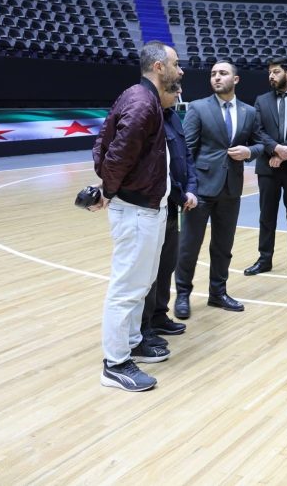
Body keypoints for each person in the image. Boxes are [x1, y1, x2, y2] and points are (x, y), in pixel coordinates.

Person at [91, 40, 183, 392]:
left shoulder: (141, 98)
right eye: (175, 64)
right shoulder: (142, 102)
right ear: (159, 67)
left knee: (141, 284)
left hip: (147, 207)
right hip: (134, 210)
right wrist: (108, 191)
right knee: (127, 288)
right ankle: (115, 364)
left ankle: (132, 343)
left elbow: (102, 141)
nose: (180, 70)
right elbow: (115, 156)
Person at [173, 60, 264, 320]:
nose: (216, 77)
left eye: (223, 73)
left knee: (223, 246)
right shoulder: (198, 108)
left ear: (235, 79)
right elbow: (186, 150)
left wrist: (249, 151)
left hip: (231, 189)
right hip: (200, 189)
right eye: (213, 74)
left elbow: (260, 144)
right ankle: (182, 294)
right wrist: (187, 189)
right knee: (189, 245)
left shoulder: (249, 111)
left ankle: (218, 293)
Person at [244, 57, 287, 277]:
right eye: (270, 73)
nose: (271, 76)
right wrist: (275, 148)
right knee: (266, 216)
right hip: (268, 167)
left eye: (275, 72)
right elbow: (257, 131)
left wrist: (282, 154)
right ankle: (264, 259)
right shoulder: (261, 100)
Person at [140, 86, 198, 344]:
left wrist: (191, 188)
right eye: (175, 89)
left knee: (166, 264)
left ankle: (159, 315)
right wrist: (181, 194)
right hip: (155, 205)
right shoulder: (148, 117)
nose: (180, 93)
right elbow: (157, 168)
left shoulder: (174, 117)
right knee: (149, 271)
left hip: (173, 206)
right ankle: (144, 326)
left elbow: (186, 157)